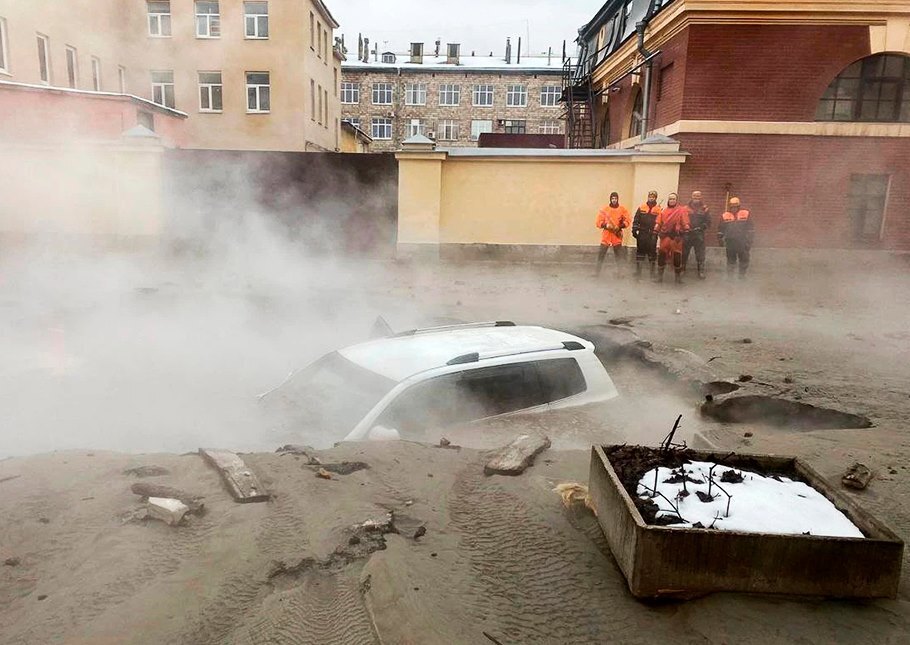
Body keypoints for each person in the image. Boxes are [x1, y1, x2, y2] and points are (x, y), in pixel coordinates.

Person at [654, 192, 691, 284]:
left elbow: (685, 222)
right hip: (665, 237)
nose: (672, 200)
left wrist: (686, 231)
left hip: (676, 238)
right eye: (670, 199)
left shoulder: (681, 211)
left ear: (676, 200)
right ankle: (659, 277)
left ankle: (678, 278)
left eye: (673, 199)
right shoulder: (663, 211)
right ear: (668, 200)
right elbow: (658, 223)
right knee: (661, 256)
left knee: (677, 257)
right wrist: (654, 232)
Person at [594, 192, 631, 277]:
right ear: (610, 199)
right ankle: (597, 273)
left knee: (619, 255)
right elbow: (598, 222)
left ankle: (620, 273)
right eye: (612, 198)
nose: (614, 200)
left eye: (615, 198)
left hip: (617, 235)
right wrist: (606, 225)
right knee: (601, 254)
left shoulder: (622, 209)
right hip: (606, 234)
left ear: (618, 199)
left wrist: (620, 226)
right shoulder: (605, 210)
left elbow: (628, 220)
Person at [718, 196, 754, 278]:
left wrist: (749, 241)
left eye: (735, 206)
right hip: (730, 242)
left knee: (744, 259)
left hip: (743, 241)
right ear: (730, 207)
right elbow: (720, 229)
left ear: (738, 206)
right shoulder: (725, 215)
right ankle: (730, 276)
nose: (734, 208)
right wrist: (720, 239)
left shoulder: (745, 213)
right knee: (731, 260)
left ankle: (742, 275)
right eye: (732, 207)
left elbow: (751, 228)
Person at [632, 190, 661, 280]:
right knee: (640, 252)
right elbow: (636, 219)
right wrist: (634, 229)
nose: (651, 198)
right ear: (648, 197)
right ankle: (638, 272)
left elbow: (660, 222)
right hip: (642, 233)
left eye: (653, 197)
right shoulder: (641, 207)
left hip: (652, 234)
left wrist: (656, 233)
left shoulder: (659, 209)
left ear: (655, 198)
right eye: (650, 196)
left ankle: (652, 274)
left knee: (652, 253)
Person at [683, 190, 710, 280]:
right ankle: (682, 270)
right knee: (684, 253)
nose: (696, 198)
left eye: (698, 197)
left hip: (699, 234)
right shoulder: (685, 208)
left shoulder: (705, 208)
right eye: (695, 196)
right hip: (687, 233)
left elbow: (708, 222)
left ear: (701, 197)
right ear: (691, 197)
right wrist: (685, 228)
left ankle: (701, 271)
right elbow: (681, 219)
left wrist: (702, 227)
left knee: (700, 254)